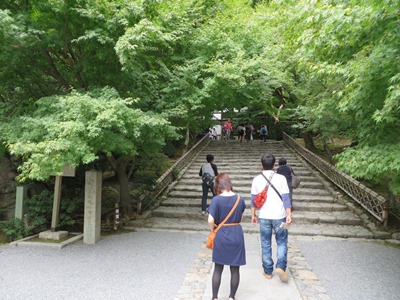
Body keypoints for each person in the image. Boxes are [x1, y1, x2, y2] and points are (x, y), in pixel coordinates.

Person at [250, 153, 292, 282]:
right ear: (274, 165)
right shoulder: (281, 178)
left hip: (264, 216)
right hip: (279, 215)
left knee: (265, 242)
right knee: (282, 241)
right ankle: (280, 267)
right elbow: (285, 197)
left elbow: (253, 200)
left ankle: (268, 271)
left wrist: (253, 215)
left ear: (261, 164)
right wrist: (289, 214)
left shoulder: (257, 179)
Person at [208, 173, 246, 300]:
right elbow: (241, 216)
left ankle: (214, 297)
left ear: (217, 185)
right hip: (236, 233)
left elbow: (210, 220)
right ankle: (231, 297)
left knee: (218, 268)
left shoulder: (216, 200)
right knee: (235, 270)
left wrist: (213, 227)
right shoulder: (240, 199)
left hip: (221, 234)